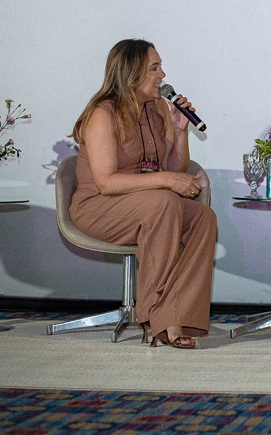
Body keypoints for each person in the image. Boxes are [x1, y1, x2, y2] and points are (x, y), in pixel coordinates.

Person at [69, 39, 217, 349]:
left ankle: (177, 314)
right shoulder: (102, 114)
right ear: (131, 73)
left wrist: (179, 132)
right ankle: (154, 317)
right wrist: (168, 180)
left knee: (202, 217)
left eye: (160, 66)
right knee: (163, 202)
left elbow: (176, 166)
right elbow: (106, 183)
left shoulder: (158, 108)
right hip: (98, 207)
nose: (163, 74)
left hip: (147, 204)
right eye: (154, 68)